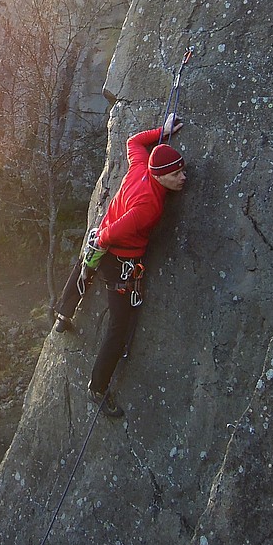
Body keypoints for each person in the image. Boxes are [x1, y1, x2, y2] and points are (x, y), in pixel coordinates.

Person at [53, 117, 186, 419]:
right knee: (119, 326)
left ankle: (63, 313)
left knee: (86, 265)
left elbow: (134, 143)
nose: (183, 178)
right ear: (162, 176)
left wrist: (161, 133)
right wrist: (103, 238)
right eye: (176, 173)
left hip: (104, 240)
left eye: (182, 170)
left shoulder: (140, 167)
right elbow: (116, 234)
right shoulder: (150, 205)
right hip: (120, 261)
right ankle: (97, 388)